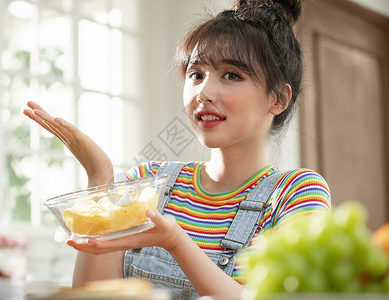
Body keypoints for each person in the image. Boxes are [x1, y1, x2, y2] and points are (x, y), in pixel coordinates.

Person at [23, 0, 331, 299]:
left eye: (231, 75)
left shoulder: (297, 194)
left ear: (278, 98)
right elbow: (95, 296)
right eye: (196, 74)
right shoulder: (147, 181)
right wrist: (100, 179)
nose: (204, 93)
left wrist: (175, 241)